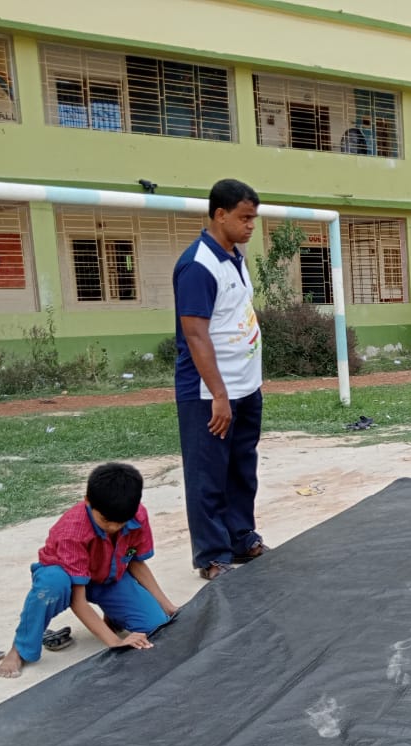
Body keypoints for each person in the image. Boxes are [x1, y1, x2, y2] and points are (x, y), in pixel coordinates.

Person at [0, 463, 176, 679]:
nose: (113, 528)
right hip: (65, 579)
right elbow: (78, 601)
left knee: (157, 625)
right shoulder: (72, 530)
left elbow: (136, 562)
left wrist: (169, 607)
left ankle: (113, 617)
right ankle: (20, 649)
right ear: (88, 501)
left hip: (108, 577)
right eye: (106, 520)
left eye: (121, 523)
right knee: (51, 586)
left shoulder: (136, 515)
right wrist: (115, 642)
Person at [173, 178, 268, 581]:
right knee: (208, 473)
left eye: (253, 219)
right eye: (244, 218)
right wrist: (219, 394)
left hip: (246, 386)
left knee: (242, 468)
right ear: (220, 214)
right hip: (209, 393)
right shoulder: (198, 265)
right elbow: (195, 335)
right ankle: (212, 555)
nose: (250, 226)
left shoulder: (235, 258)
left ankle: (240, 537)